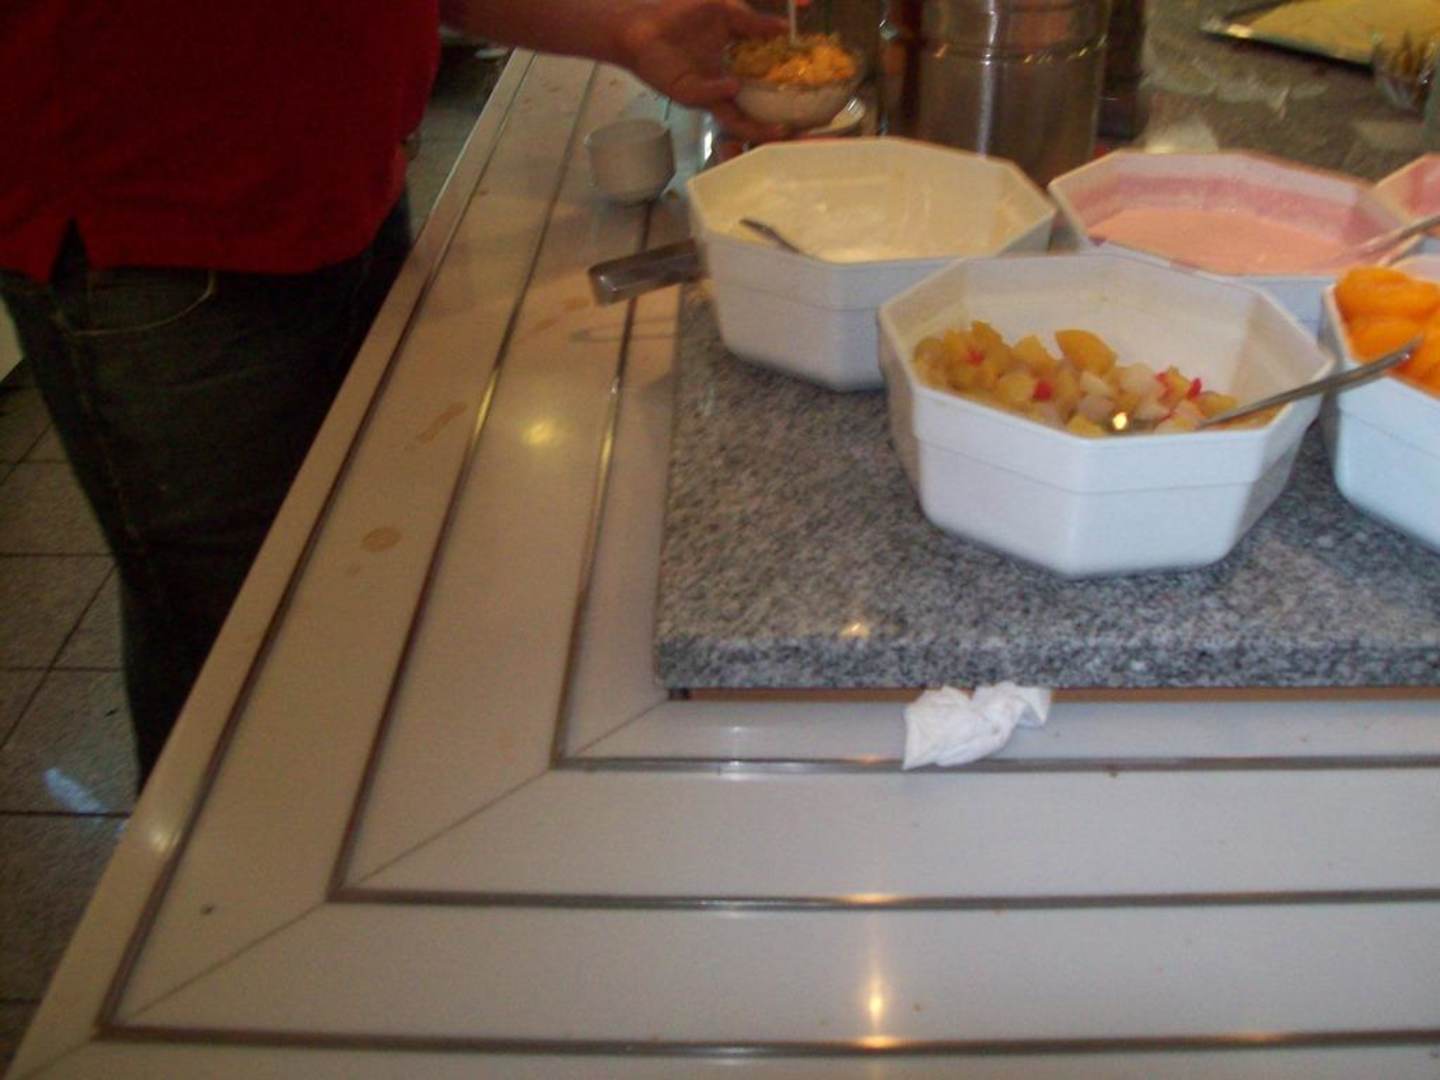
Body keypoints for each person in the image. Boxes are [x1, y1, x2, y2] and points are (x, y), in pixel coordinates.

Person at [0, 0, 785, 784]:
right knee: (235, 656)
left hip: (339, 185)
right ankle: (246, 851)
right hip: (154, 236)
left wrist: (623, 31)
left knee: (347, 591)